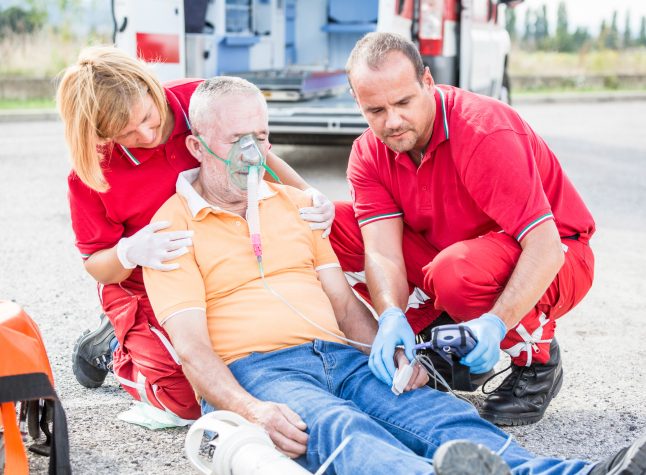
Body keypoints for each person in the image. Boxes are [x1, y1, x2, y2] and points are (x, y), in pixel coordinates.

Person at [142, 76, 644, 475]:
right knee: (345, 429)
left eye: (262, 137)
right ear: (196, 145)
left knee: (435, 414)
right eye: (237, 139)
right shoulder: (170, 229)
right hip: (262, 370)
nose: (253, 153)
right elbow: (192, 349)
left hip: (338, 356)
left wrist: (392, 347)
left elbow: (341, 304)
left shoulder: (295, 208)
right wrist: (251, 409)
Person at [328, 32, 596, 426]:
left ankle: (537, 363)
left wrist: (496, 322)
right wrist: (390, 316)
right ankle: (443, 347)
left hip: (556, 255)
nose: (393, 121)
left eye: (404, 102)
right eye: (376, 110)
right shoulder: (368, 152)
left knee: (457, 272)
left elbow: (547, 247)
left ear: (428, 83)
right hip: (455, 253)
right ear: (357, 102)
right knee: (335, 226)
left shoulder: (483, 130)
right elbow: (381, 251)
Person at [56, 46, 335, 421]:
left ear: (149, 86)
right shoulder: (92, 172)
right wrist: (128, 253)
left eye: (148, 117)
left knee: (235, 370)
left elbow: (255, 154)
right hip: (146, 278)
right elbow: (97, 264)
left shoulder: (198, 99)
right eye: (127, 133)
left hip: (218, 259)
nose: (147, 134)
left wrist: (307, 194)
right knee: (190, 399)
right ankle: (114, 352)